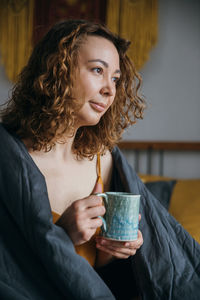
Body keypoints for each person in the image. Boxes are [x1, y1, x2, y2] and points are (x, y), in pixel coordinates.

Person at [0, 19, 200, 300]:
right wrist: (62, 235)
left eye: (115, 78)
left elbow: (101, 276)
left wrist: (116, 251)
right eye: (97, 70)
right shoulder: (8, 160)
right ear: (58, 70)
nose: (110, 90)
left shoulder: (104, 159)